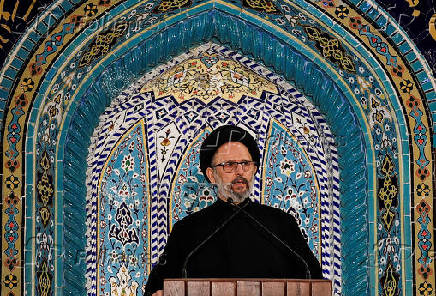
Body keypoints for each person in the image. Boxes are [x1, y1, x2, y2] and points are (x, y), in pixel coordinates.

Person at [144, 125, 323, 296]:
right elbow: (156, 287)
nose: (240, 171)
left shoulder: (282, 224)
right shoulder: (187, 230)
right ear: (211, 175)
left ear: (253, 170)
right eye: (229, 165)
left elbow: (314, 280)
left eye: (245, 164)